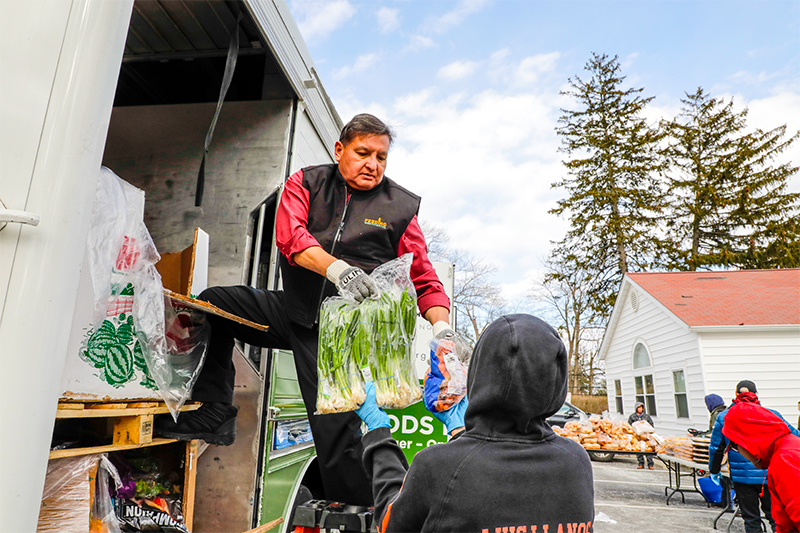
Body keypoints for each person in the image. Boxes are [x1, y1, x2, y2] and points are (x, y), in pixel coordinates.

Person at [155, 114, 452, 506]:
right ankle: (215, 409)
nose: (372, 165)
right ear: (340, 150)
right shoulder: (307, 183)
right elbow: (290, 236)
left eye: (381, 157)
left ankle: (363, 513)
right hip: (294, 313)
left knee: (335, 433)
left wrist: (443, 329)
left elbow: (424, 278)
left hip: (344, 338)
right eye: (363, 153)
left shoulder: (399, 208)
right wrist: (337, 269)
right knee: (213, 303)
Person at [354, 314, 595, 532]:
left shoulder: (437, 466)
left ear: (480, 372)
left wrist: (378, 432)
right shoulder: (576, 461)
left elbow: (390, 524)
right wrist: (459, 430)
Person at [708, 380, 800, 533]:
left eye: (736, 447)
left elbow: (796, 513)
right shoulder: (773, 419)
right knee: (773, 516)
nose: (739, 452)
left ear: (747, 441)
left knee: (752, 518)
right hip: (762, 478)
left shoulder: (785, 460)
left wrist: (714, 469)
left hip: (743, 478)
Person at [628, 402, 655, 469]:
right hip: (637, 436)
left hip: (646, 435)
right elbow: (629, 426)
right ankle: (641, 464)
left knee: (648, 449)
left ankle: (650, 464)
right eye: (639, 407)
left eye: (641, 407)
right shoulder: (632, 417)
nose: (640, 409)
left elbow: (651, 425)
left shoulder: (646, 416)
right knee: (639, 449)